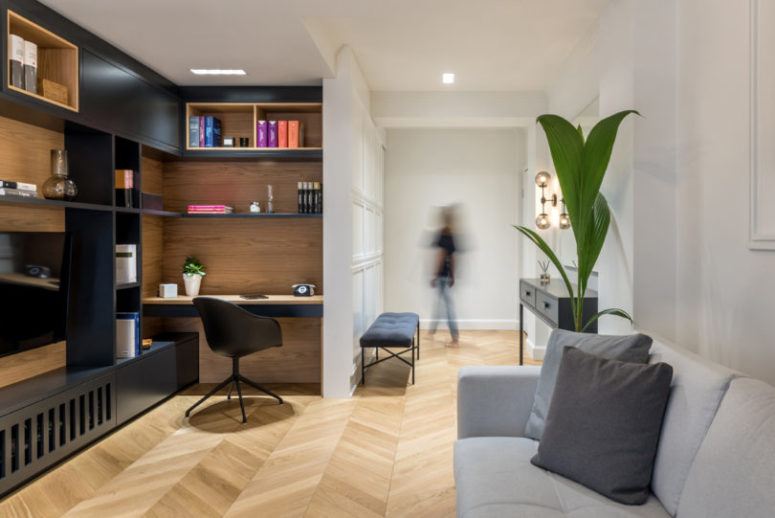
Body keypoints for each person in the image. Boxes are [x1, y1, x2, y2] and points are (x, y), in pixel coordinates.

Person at [430, 206, 460, 347]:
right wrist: (452, 276)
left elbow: (441, 255)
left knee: (447, 306)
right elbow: (452, 259)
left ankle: (455, 338)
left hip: (442, 277)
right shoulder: (452, 236)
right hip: (447, 276)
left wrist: (435, 275)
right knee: (441, 304)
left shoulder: (442, 235)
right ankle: (432, 331)